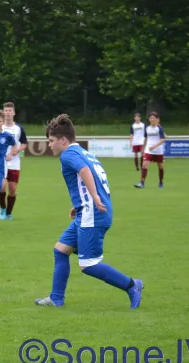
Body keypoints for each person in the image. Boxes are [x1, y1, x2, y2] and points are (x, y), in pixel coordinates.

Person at [35, 114, 143, 309]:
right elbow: (91, 177)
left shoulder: (69, 154)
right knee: (60, 250)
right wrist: (80, 205)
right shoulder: (85, 153)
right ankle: (56, 298)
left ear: (63, 140)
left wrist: (93, 198)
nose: (49, 145)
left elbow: (84, 171)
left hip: (93, 213)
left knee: (88, 265)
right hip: (88, 211)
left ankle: (132, 285)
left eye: (51, 141)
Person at [0, 102, 28, 220]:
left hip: (14, 163)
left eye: (10, 111)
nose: (8, 113)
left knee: (13, 189)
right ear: (4, 113)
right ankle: (3, 209)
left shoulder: (18, 128)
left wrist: (17, 150)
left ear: (14, 113)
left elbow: (24, 143)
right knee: (2, 186)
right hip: (2, 162)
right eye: (6, 110)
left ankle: (9, 213)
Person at [134, 111, 166, 188]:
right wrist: (143, 148)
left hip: (158, 151)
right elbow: (145, 138)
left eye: (154, 118)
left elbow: (163, 139)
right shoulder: (147, 128)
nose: (152, 119)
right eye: (151, 118)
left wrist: (154, 146)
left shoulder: (159, 128)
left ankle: (161, 182)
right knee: (144, 165)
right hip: (149, 150)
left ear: (157, 119)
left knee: (160, 167)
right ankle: (142, 183)